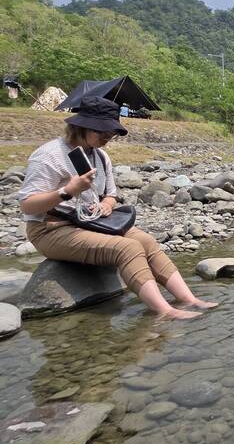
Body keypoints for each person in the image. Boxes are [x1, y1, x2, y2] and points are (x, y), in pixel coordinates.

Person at [18, 95, 217, 320]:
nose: (108, 137)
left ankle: (189, 299)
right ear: (82, 126)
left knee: (146, 241)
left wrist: (106, 204)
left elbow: (111, 195)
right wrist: (67, 191)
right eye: (102, 132)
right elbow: (27, 205)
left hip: (90, 223)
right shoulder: (49, 156)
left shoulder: (100, 156)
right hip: (50, 229)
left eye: (111, 132)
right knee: (128, 248)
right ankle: (165, 311)